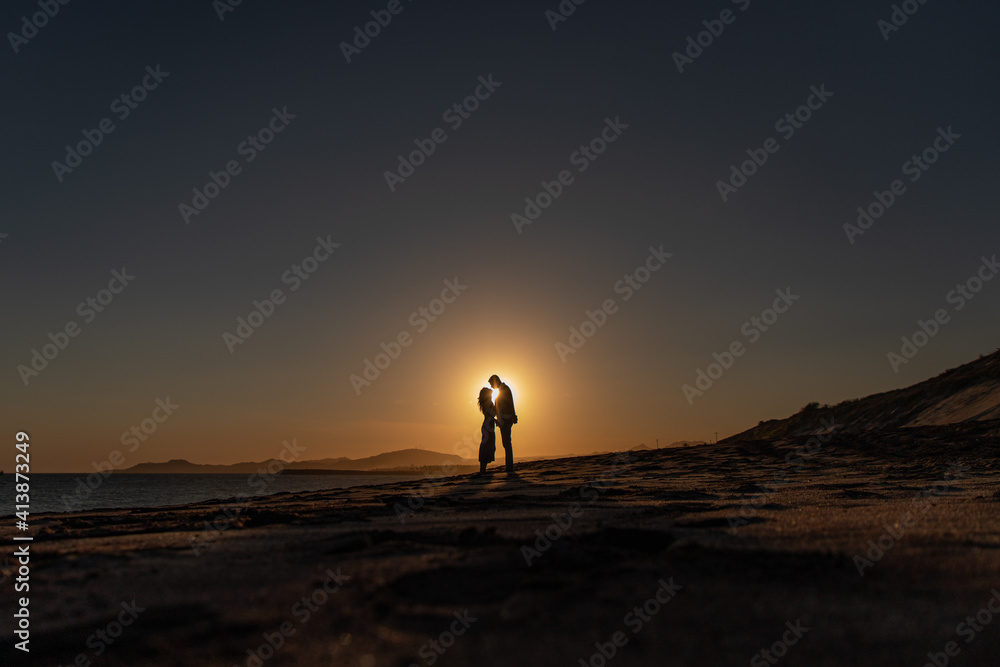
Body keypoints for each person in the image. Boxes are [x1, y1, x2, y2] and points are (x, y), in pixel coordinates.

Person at [489, 375, 517, 472]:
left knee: (506, 443)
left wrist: (507, 417)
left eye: (492, 384)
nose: (492, 387)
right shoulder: (503, 390)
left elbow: (506, 406)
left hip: (506, 420)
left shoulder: (504, 390)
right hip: (505, 419)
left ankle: (509, 467)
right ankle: (509, 466)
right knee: (506, 443)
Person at [477, 387, 496, 474]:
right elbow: (490, 415)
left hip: (488, 426)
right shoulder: (487, 403)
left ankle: (483, 468)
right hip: (488, 427)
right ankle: (483, 469)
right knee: (487, 446)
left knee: (487, 446)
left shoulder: (486, 403)